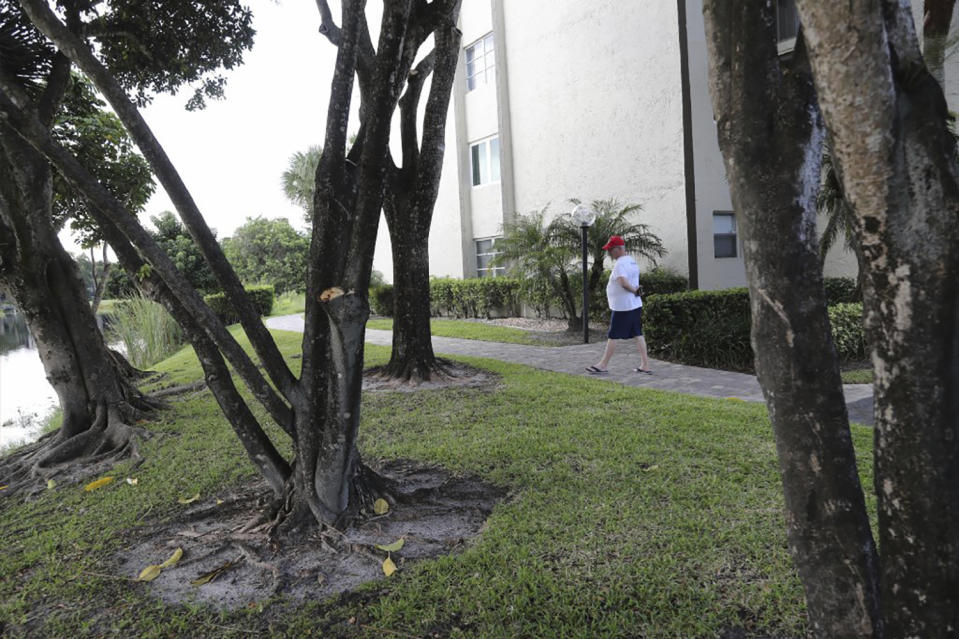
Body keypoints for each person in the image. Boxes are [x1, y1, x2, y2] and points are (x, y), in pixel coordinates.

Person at [585, 235, 652, 374]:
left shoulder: (620, 264)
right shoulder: (632, 262)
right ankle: (645, 365)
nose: (609, 253)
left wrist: (634, 290)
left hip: (623, 307)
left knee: (613, 335)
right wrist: (636, 291)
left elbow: (623, 282)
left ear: (618, 249)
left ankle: (603, 365)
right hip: (633, 305)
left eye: (610, 249)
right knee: (637, 333)